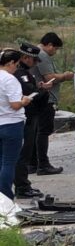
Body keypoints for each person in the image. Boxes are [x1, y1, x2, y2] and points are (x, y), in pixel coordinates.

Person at [13, 43, 52, 198]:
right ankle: (22, 187)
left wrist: (38, 87)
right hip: (27, 117)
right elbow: (29, 92)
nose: (35, 64)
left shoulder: (24, 73)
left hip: (29, 116)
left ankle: (23, 185)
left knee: (25, 153)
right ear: (26, 58)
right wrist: (42, 90)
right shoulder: (20, 73)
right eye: (34, 61)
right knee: (23, 154)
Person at [33, 32, 74, 175]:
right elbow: (49, 77)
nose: (55, 52)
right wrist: (65, 76)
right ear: (49, 45)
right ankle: (43, 164)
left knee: (36, 131)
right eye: (55, 49)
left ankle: (34, 163)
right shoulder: (42, 55)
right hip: (46, 99)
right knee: (43, 131)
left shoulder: (37, 53)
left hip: (39, 99)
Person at [0, 49, 32, 200]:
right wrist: (24, 101)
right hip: (11, 124)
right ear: (10, 63)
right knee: (9, 163)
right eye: (17, 64)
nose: (17, 68)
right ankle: (6, 197)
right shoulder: (9, 79)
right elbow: (15, 105)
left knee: (1, 162)